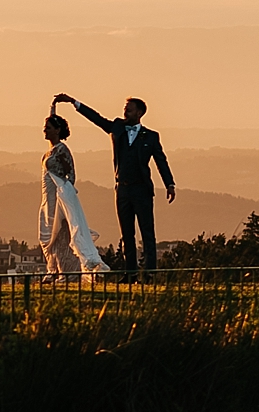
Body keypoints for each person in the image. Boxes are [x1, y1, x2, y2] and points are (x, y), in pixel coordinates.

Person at [52, 92, 175, 275]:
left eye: (129, 110)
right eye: (125, 109)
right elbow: (96, 118)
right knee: (127, 234)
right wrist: (73, 102)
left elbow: (161, 161)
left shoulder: (151, 136)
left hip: (142, 190)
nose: (125, 112)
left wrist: (169, 184)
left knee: (147, 232)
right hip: (123, 189)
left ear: (139, 113)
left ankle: (150, 273)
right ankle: (131, 273)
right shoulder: (116, 127)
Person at [37, 113, 109, 277]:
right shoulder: (50, 151)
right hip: (48, 198)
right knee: (48, 235)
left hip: (59, 198)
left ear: (57, 130)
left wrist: (64, 194)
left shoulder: (62, 150)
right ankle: (53, 269)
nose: (44, 130)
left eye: (48, 128)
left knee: (61, 235)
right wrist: (53, 106)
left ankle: (66, 272)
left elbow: (71, 175)